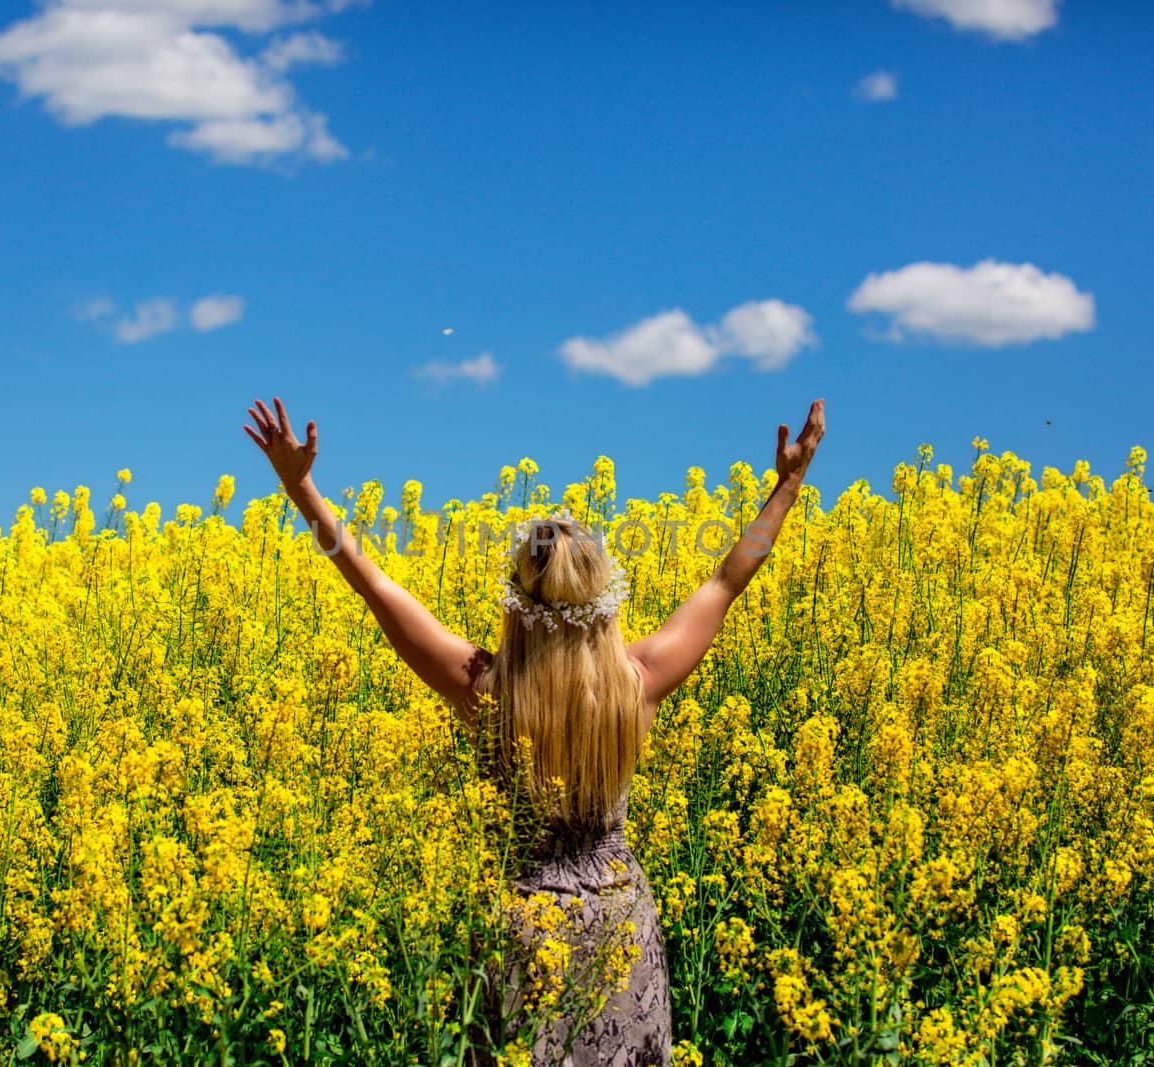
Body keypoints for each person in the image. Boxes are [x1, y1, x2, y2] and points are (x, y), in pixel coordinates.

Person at [244, 395, 827, 1066]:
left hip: (521, 932)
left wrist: (301, 488)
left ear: (517, 600)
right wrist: (788, 484)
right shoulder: (638, 682)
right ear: (605, 596)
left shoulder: (487, 692)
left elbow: (374, 585)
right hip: (619, 931)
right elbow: (730, 577)